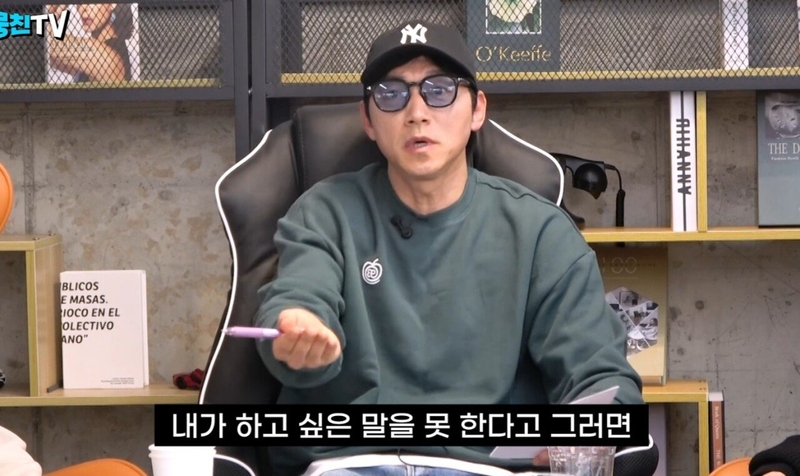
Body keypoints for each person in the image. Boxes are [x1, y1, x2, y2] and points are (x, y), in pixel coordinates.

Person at [253, 19, 644, 476]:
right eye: (391, 94)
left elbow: (598, 372)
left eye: (439, 90)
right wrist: (298, 329)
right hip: (351, 463)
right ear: (368, 120)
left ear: (477, 109)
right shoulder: (325, 211)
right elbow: (299, 295)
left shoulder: (540, 231)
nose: (417, 112)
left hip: (486, 469)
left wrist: (591, 428)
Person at [46, 3, 133, 82]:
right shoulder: (88, 59)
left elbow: (45, 40)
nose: (84, 7)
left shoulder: (105, 56)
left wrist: (55, 10)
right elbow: (45, 49)